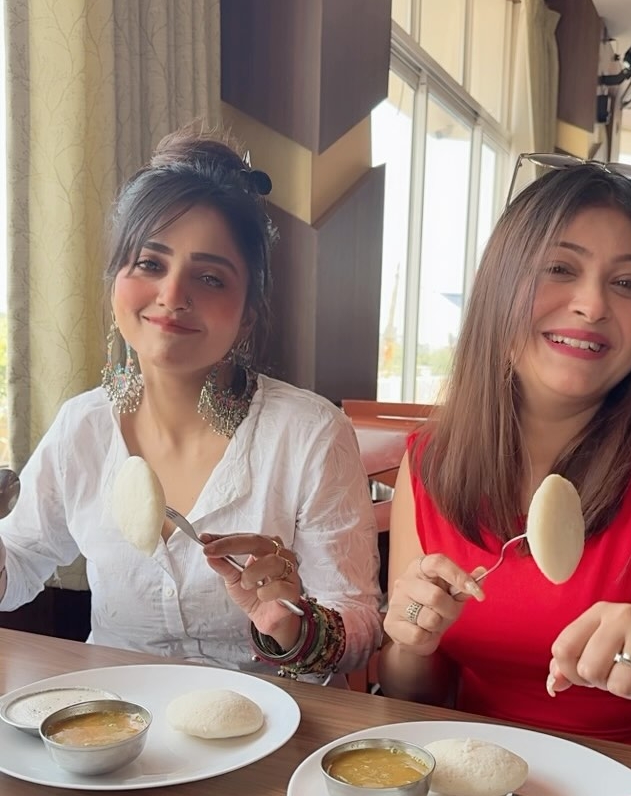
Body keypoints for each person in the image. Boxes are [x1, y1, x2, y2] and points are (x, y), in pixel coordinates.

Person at [0, 128, 382, 679]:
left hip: (266, 718)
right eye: (150, 264)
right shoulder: (81, 427)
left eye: (209, 277)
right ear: (115, 284)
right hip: (113, 712)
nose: (173, 295)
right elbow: (18, 563)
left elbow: (360, 626)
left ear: (248, 314)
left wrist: (293, 626)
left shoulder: (309, 433)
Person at [380, 162, 631, 758]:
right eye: (559, 269)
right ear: (499, 286)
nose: (592, 305)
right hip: (483, 786)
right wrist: (412, 642)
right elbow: (416, 701)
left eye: (628, 283)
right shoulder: (431, 461)